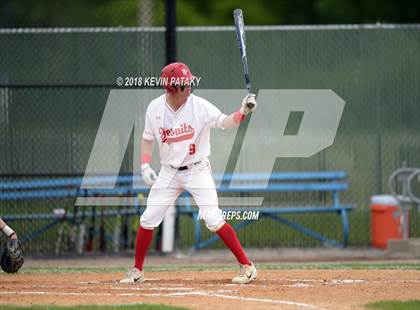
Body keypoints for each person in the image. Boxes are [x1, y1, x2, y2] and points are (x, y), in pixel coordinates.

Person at [120, 62, 257, 284]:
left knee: (213, 219)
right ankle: (137, 271)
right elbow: (147, 138)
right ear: (172, 88)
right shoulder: (155, 108)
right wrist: (145, 165)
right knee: (148, 219)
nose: (189, 86)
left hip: (197, 170)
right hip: (169, 172)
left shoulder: (199, 106)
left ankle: (247, 266)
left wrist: (242, 112)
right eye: (185, 84)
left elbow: (225, 122)